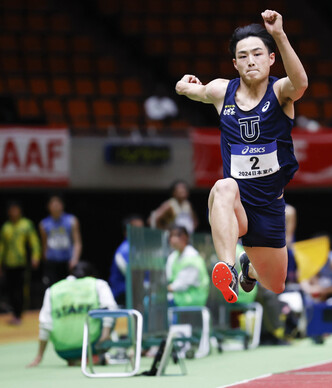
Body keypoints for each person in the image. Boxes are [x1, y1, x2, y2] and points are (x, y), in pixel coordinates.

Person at [175, 10, 308, 303]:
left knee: (276, 285)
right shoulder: (223, 92)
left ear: (271, 59)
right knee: (224, 186)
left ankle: (249, 270)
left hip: (270, 208)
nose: (251, 60)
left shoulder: (279, 91)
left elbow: (300, 84)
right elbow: (190, 90)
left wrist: (279, 35)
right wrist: (183, 85)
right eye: (243, 56)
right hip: (238, 207)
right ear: (235, 64)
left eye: (258, 54)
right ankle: (228, 267)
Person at [27, 262, 117, 367]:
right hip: (93, 346)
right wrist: (105, 336)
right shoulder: (98, 284)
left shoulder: (52, 289)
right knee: (112, 311)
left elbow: (45, 324)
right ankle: (94, 356)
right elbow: (110, 310)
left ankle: (76, 359)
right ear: (91, 276)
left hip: (63, 351)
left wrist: (39, 356)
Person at [0, 201, 41, 325]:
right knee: (10, 289)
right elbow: (1, 247)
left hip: (22, 263)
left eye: (16, 209)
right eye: (12, 210)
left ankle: (19, 314)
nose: (14, 212)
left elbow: (34, 241)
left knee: (20, 289)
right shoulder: (6, 228)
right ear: (8, 212)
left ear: (20, 211)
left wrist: (35, 256)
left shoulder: (26, 225)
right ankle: (15, 313)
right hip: (9, 263)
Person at [39, 195, 82, 287]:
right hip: (52, 261)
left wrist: (75, 259)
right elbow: (44, 245)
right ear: (48, 206)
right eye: (52, 204)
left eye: (57, 204)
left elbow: (77, 242)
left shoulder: (71, 220)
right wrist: (45, 261)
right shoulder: (44, 224)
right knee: (52, 287)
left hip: (68, 261)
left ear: (62, 205)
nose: (55, 207)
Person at [165, 226, 210, 307]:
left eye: (176, 235)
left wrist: (165, 289)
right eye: (171, 236)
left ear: (185, 237)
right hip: (178, 300)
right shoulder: (174, 256)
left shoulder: (192, 258)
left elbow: (181, 285)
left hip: (191, 303)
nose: (172, 239)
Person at [109, 215, 145, 305]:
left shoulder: (137, 248)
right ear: (126, 232)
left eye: (141, 229)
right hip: (123, 298)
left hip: (135, 295)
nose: (140, 232)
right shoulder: (125, 250)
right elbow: (134, 276)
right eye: (136, 229)